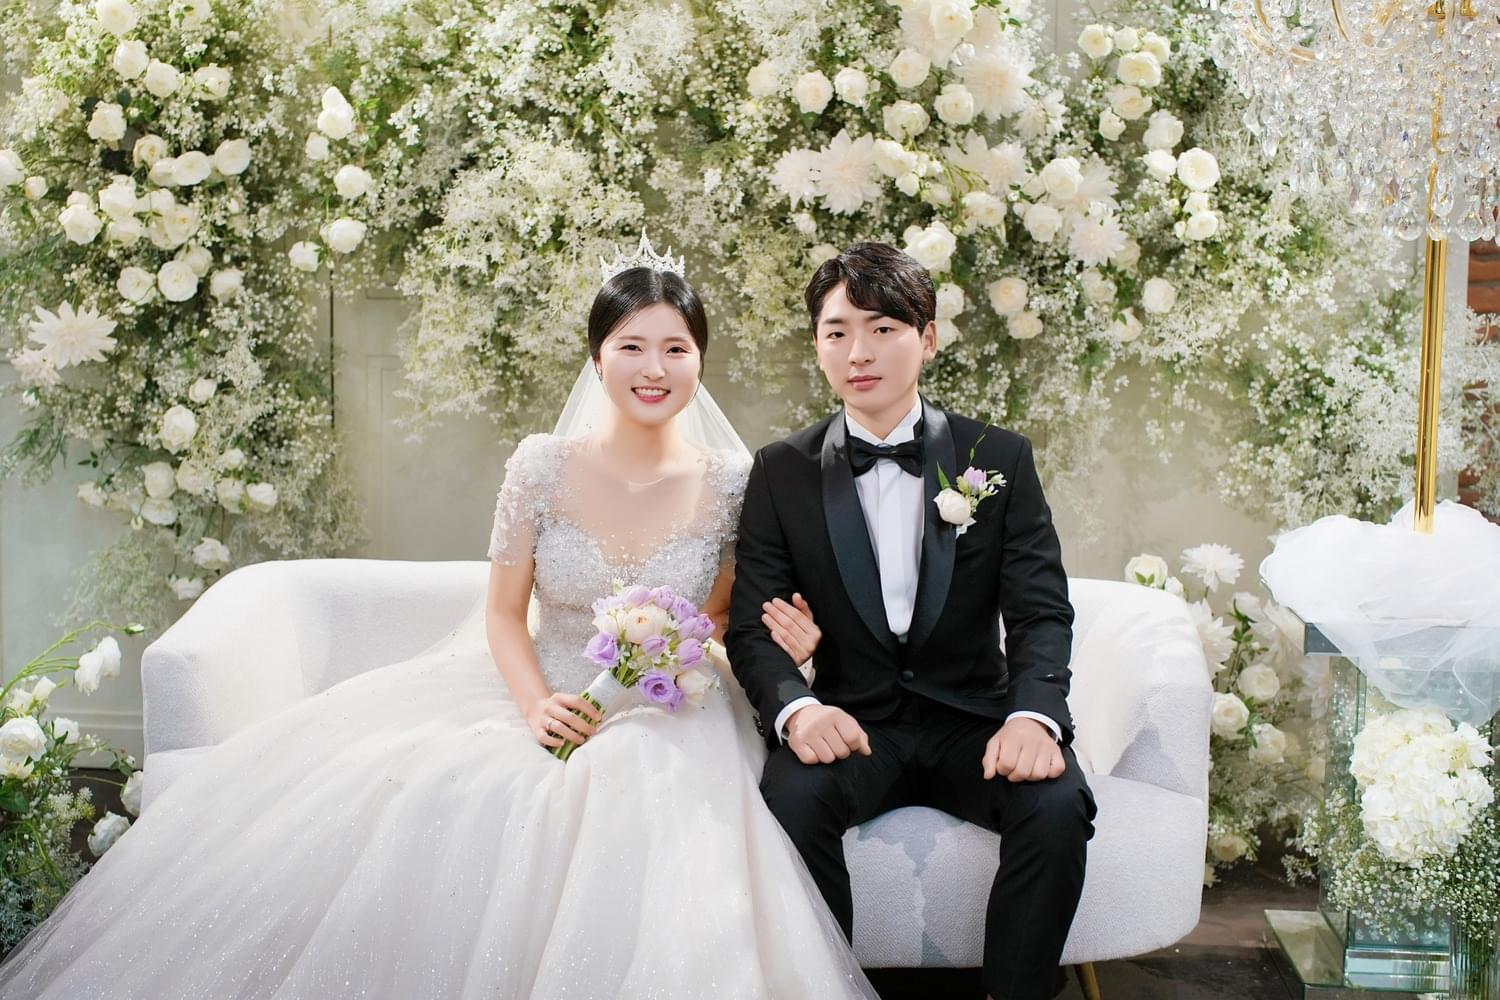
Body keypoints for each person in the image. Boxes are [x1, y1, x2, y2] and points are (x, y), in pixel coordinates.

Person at [0, 239, 877, 999]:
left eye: (676, 348)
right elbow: (501, 614)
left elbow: (719, 614)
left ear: (699, 361)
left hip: (671, 704)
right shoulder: (541, 466)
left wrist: (754, 639)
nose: (655, 368)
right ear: (597, 358)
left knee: (643, 784)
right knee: (432, 789)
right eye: (632, 346)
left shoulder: (733, 483)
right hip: (541, 684)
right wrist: (536, 705)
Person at [727, 242, 1097, 1000]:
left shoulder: (999, 458)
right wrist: (798, 709)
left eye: (882, 329)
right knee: (790, 799)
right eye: (836, 333)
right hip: (852, 720)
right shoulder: (780, 471)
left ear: (926, 338)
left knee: (1057, 801)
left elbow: (1039, 610)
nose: (857, 353)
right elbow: (752, 627)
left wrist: (1033, 716)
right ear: (817, 346)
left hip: (973, 718)